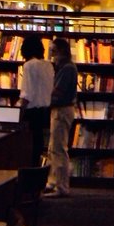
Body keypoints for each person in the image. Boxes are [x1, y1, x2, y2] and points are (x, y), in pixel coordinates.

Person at [45, 37, 78, 198]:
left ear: (61, 51)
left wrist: (45, 99)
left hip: (62, 109)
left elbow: (58, 92)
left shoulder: (67, 69)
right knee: (53, 148)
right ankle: (53, 181)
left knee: (59, 149)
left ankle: (61, 185)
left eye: (54, 51)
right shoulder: (65, 67)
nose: (52, 55)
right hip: (60, 109)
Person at [19, 34, 54, 166]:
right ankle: (39, 175)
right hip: (47, 111)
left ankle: (28, 177)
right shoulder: (49, 65)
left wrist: (18, 113)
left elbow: (27, 94)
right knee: (39, 146)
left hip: (32, 113)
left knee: (29, 148)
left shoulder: (29, 66)